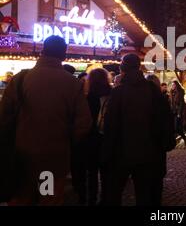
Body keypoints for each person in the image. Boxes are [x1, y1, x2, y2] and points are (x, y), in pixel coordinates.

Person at [0, 36, 92, 205]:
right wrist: (67, 142)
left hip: (20, 157)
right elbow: (83, 124)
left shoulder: (20, 79)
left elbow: (4, 116)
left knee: (22, 199)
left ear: (42, 50)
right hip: (52, 159)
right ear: (63, 55)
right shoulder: (72, 83)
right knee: (47, 198)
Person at [102, 54, 171, 206]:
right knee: (145, 194)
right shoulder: (152, 90)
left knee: (114, 193)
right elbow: (164, 119)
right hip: (148, 152)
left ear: (123, 68)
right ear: (139, 67)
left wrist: (107, 152)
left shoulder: (118, 92)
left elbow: (110, 125)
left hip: (121, 152)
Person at [71, 68, 112, 206]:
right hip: (107, 139)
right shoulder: (112, 96)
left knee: (91, 173)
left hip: (89, 140)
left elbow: (82, 119)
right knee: (106, 173)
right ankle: (105, 198)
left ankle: (90, 200)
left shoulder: (87, 98)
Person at [146, 75, 176, 204]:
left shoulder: (140, 98)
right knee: (157, 177)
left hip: (143, 143)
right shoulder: (162, 99)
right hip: (158, 144)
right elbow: (168, 123)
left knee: (144, 178)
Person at [170, 80, 186, 146]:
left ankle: (184, 137)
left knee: (176, 127)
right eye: (172, 85)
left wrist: (179, 113)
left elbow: (181, 103)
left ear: (176, 85)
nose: (172, 86)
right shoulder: (172, 92)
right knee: (176, 127)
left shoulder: (180, 92)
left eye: (173, 85)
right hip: (173, 111)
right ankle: (182, 138)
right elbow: (171, 103)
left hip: (178, 112)